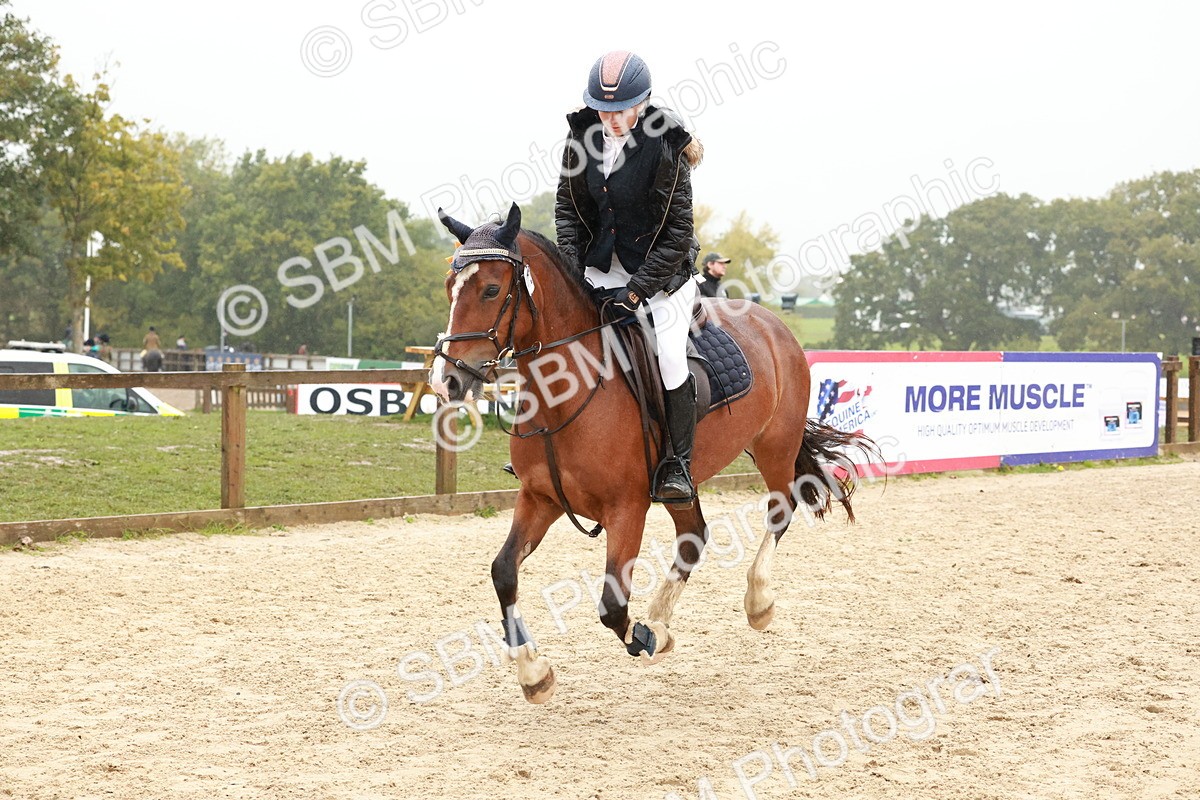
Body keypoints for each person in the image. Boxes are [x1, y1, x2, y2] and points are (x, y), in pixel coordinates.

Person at [555, 50, 704, 503]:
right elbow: (568, 211)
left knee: (670, 359)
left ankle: (678, 465)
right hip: (602, 270)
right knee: (562, 342)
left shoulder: (666, 144)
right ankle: (549, 448)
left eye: (620, 110)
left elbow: (678, 234)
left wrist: (638, 292)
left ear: (642, 104)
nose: (610, 118)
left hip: (661, 277)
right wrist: (570, 274)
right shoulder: (580, 138)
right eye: (602, 109)